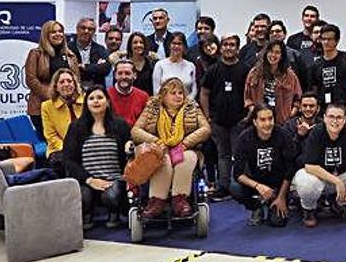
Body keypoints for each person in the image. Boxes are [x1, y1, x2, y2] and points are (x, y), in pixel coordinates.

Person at [131, 78, 211, 219]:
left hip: (185, 149)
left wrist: (185, 143)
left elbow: (206, 129)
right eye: (173, 93)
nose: (178, 96)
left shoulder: (192, 107)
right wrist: (155, 141)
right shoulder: (152, 107)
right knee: (163, 160)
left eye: (180, 92)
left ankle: (180, 201)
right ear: (163, 96)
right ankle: (156, 202)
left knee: (186, 159)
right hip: (158, 149)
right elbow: (136, 131)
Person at [292, 104, 346, 228]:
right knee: (306, 183)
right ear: (324, 118)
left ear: (345, 119)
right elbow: (309, 166)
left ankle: (339, 203)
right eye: (331, 117)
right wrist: (337, 182)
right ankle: (309, 210)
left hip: (340, 174)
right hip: (320, 178)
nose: (335, 121)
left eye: (339, 117)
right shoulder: (317, 132)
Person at [63, 86, 132, 230]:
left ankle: (114, 212)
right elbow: (68, 160)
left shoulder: (121, 125)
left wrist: (130, 148)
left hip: (114, 180)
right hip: (87, 180)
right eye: (91, 98)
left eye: (100, 98)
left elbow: (130, 153)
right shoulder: (76, 127)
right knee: (83, 196)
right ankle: (87, 214)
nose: (96, 101)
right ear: (86, 103)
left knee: (111, 196)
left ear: (107, 101)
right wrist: (89, 180)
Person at [230, 104, 297, 227]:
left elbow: (290, 169)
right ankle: (256, 207)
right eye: (262, 119)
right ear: (255, 122)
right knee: (234, 188)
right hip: (255, 184)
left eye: (270, 118)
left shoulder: (284, 135)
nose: (267, 123)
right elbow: (237, 173)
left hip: (279, 185)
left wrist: (281, 197)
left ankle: (276, 201)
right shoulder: (244, 138)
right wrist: (258, 186)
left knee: (278, 222)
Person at [200, 35, 249, 200]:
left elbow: (251, 94)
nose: (229, 48)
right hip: (218, 121)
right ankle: (223, 187)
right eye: (226, 45)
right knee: (223, 155)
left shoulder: (245, 69)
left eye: (232, 45)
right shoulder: (213, 69)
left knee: (239, 154)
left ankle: (241, 187)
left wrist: (248, 117)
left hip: (239, 121)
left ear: (237, 48)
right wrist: (207, 116)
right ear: (221, 48)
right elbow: (204, 93)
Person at [24, 20, 80, 136]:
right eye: (53, 32)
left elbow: (76, 80)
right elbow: (31, 80)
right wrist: (52, 95)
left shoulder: (71, 56)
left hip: (67, 106)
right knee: (50, 141)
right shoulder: (36, 54)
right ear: (46, 35)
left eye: (60, 31)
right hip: (41, 106)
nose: (58, 34)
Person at [244, 40, 302, 125]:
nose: (273, 55)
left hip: (283, 122)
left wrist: (291, 114)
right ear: (266, 53)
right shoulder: (255, 73)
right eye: (271, 51)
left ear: (282, 55)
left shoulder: (290, 75)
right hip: (260, 121)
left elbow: (298, 98)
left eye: (277, 52)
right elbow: (247, 97)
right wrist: (254, 112)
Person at [41, 68, 85, 173]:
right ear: (56, 87)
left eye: (69, 81)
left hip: (85, 147)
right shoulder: (46, 106)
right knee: (61, 162)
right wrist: (69, 149)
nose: (66, 84)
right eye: (62, 82)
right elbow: (51, 136)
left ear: (75, 84)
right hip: (59, 149)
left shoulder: (87, 101)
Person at [310, 24, 346, 107]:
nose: (326, 42)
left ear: (337, 41)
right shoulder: (316, 64)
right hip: (323, 110)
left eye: (329, 39)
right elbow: (314, 89)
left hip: (344, 108)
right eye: (323, 39)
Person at [281, 92, 322, 170]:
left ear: (318, 108)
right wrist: (299, 136)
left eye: (312, 106)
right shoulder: (289, 126)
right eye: (304, 106)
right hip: (297, 169)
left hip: (319, 168)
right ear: (300, 107)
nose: (308, 109)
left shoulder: (323, 125)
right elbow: (288, 155)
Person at [152, 32, 197, 99]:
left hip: (186, 106)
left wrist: (186, 103)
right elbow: (156, 90)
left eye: (179, 43)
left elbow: (194, 89)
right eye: (174, 43)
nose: (176, 46)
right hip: (164, 106)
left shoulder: (191, 66)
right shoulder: (160, 65)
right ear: (169, 45)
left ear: (184, 46)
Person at [68, 17, 109, 90]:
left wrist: (84, 67)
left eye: (90, 29)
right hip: (73, 90)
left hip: (96, 91)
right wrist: (95, 67)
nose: (86, 31)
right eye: (83, 28)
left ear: (94, 32)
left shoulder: (100, 49)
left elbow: (105, 69)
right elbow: (66, 69)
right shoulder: (67, 48)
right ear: (77, 29)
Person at [107, 59, 149, 126]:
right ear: (115, 76)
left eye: (127, 73)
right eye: (120, 73)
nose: (123, 77)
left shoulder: (144, 96)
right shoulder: (106, 95)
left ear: (134, 75)